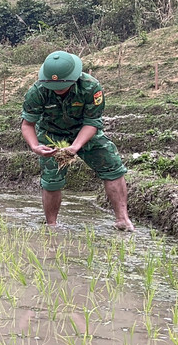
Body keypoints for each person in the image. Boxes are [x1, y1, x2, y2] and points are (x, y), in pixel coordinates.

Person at [20, 51, 134, 231]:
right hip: (52, 135)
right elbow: (27, 124)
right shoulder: (38, 91)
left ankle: (123, 220)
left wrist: (75, 146)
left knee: (112, 166)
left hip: (85, 131)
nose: (57, 89)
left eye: (62, 85)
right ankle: (51, 225)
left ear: (74, 78)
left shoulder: (91, 87)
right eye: (54, 86)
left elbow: (92, 122)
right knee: (51, 179)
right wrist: (35, 146)